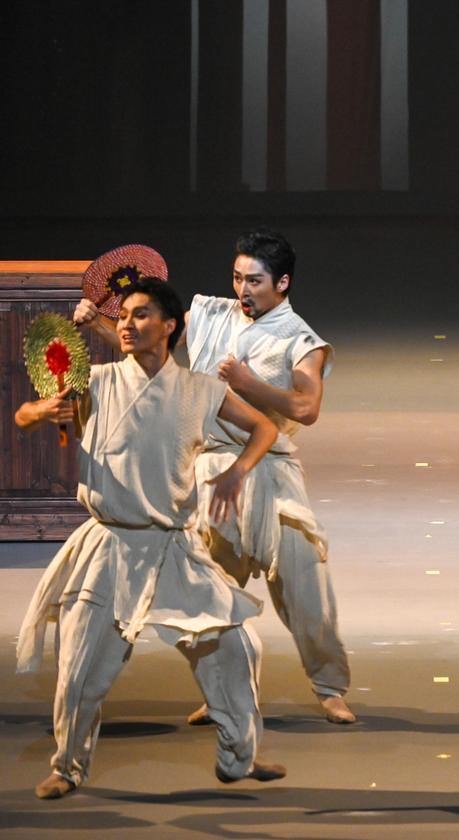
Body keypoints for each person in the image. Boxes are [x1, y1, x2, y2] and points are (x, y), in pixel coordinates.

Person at [15, 279, 287, 799]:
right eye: (122, 316)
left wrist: (236, 473)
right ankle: (68, 767)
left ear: (169, 327)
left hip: (173, 546)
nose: (126, 323)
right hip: (109, 546)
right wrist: (42, 412)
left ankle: (239, 757)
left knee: (235, 645)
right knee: (79, 668)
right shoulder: (95, 381)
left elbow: (264, 429)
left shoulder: (199, 390)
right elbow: (23, 416)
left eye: (141, 315)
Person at [76, 229, 354, 725]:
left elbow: (306, 408)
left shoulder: (301, 340)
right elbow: (149, 345)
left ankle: (330, 686)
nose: (243, 289)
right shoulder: (208, 313)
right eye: (238, 277)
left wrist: (249, 384)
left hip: (270, 470)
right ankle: (223, 691)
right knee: (212, 593)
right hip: (208, 468)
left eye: (255, 280)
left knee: (305, 584)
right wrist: (98, 322)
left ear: (282, 283)